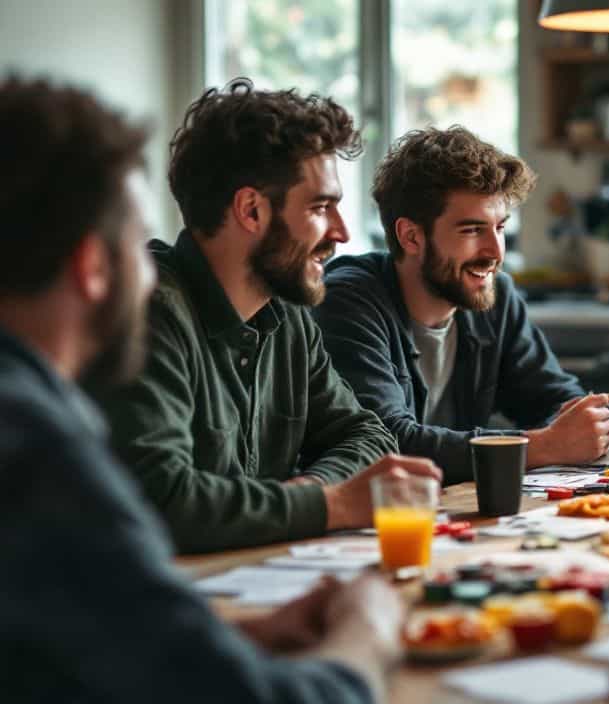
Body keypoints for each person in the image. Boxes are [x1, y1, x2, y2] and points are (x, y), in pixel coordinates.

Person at [0, 75, 404, 704]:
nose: (148, 267)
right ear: (94, 265)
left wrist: (236, 646)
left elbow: (52, 650)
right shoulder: (32, 447)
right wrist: (367, 631)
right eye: (134, 242)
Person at [95, 78, 440, 554]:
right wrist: (332, 504)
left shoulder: (289, 313)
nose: (340, 233)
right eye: (321, 207)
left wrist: (310, 493)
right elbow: (163, 502)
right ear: (251, 210)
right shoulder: (149, 313)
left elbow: (367, 433)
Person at [313, 126, 609, 482]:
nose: (495, 253)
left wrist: (583, 423)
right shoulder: (347, 300)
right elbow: (385, 443)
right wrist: (543, 446)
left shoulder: (495, 297)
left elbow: (554, 399)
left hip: (455, 511)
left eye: (500, 228)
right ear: (411, 236)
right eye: (472, 231)